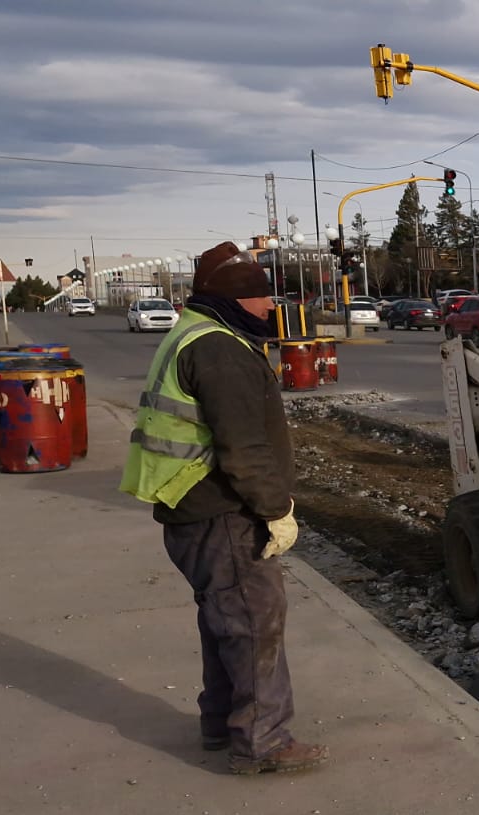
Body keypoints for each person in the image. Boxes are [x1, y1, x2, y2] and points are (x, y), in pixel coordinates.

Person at [118, 242, 326, 775]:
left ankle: (220, 722)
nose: (268, 307)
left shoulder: (194, 335)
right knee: (255, 622)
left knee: (224, 620)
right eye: (259, 298)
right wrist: (275, 510)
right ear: (234, 300)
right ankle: (263, 740)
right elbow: (244, 447)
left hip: (191, 507)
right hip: (221, 512)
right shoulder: (220, 350)